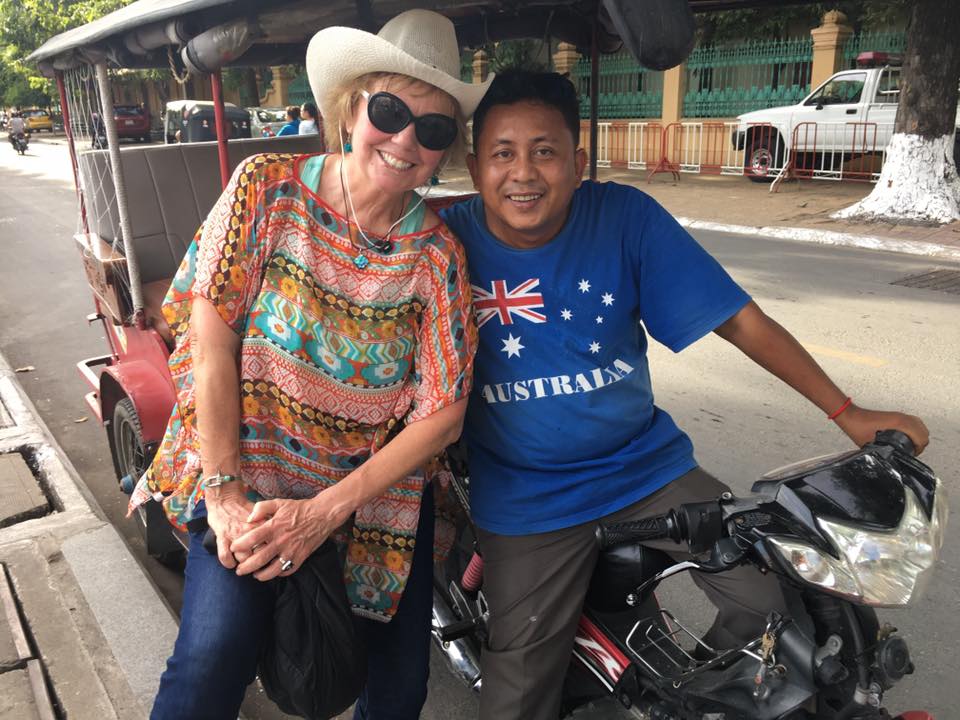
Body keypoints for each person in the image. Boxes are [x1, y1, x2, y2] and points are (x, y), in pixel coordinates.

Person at [438, 70, 930, 720]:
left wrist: (848, 413)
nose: (523, 172)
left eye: (545, 150)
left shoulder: (623, 216)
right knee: (519, 696)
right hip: (530, 500)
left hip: (649, 472)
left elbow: (738, 318)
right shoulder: (441, 236)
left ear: (578, 162)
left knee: (773, 613)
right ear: (475, 166)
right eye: (503, 153)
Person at [129, 10, 490, 719]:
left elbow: (443, 413)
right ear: (353, 108)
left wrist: (324, 514)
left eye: (435, 129)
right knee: (211, 657)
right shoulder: (266, 188)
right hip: (247, 471)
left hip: (371, 501)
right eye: (391, 111)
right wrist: (226, 492)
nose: (407, 139)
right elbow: (213, 338)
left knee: (398, 688)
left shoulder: (437, 257)